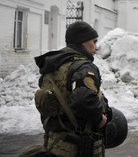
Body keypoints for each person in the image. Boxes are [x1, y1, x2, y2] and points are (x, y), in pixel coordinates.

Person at [34, 21, 112, 156]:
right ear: (82, 42)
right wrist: (99, 118)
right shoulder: (83, 67)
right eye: (93, 41)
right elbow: (83, 98)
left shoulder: (53, 66)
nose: (96, 46)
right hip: (78, 147)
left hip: (55, 144)